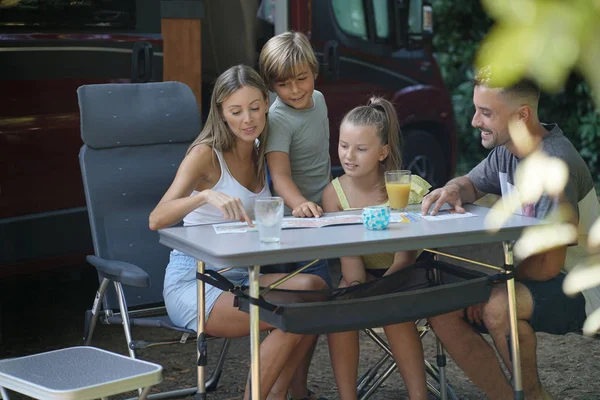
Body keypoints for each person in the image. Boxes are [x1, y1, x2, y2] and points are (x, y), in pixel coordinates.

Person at [148, 64, 328, 400]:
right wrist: (204, 195)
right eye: (236, 111)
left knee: (316, 290)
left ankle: (276, 394)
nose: (248, 119)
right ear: (221, 113)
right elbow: (156, 218)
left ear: (266, 103)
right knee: (293, 314)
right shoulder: (205, 155)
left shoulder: (262, 152)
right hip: (198, 282)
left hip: (244, 277)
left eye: (255, 108)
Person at [421, 70, 600, 400]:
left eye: (486, 112)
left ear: (522, 115)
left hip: (582, 285)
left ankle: (531, 396)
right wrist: (451, 190)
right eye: (476, 109)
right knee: (442, 309)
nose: (475, 121)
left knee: (497, 305)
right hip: (536, 277)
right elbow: (472, 184)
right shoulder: (509, 152)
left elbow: (548, 264)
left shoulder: (554, 165)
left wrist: (491, 284)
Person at [322, 97, 430, 400]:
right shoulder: (334, 195)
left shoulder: (406, 189)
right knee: (341, 304)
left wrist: (380, 291)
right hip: (364, 272)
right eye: (343, 145)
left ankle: (418, 396)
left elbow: (406, 258)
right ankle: (348, 396)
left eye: (361, 148)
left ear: (382, 152)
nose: (348, 155)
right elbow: (351, 263)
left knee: (392, 307)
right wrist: (359, 288)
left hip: (407, 274)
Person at [259, 31, 333, 400]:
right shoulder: (277, 118)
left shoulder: (319, 101)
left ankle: (297, 388)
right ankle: (285, 389)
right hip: (294, 223)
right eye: (283, 84)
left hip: (324, 217)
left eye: (301, 79)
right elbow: (280, 177)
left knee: (315, 313)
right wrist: (300, 203)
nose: (295, 90)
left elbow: (322, 162)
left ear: (314, 73)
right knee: (301, 313)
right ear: (272, 87)